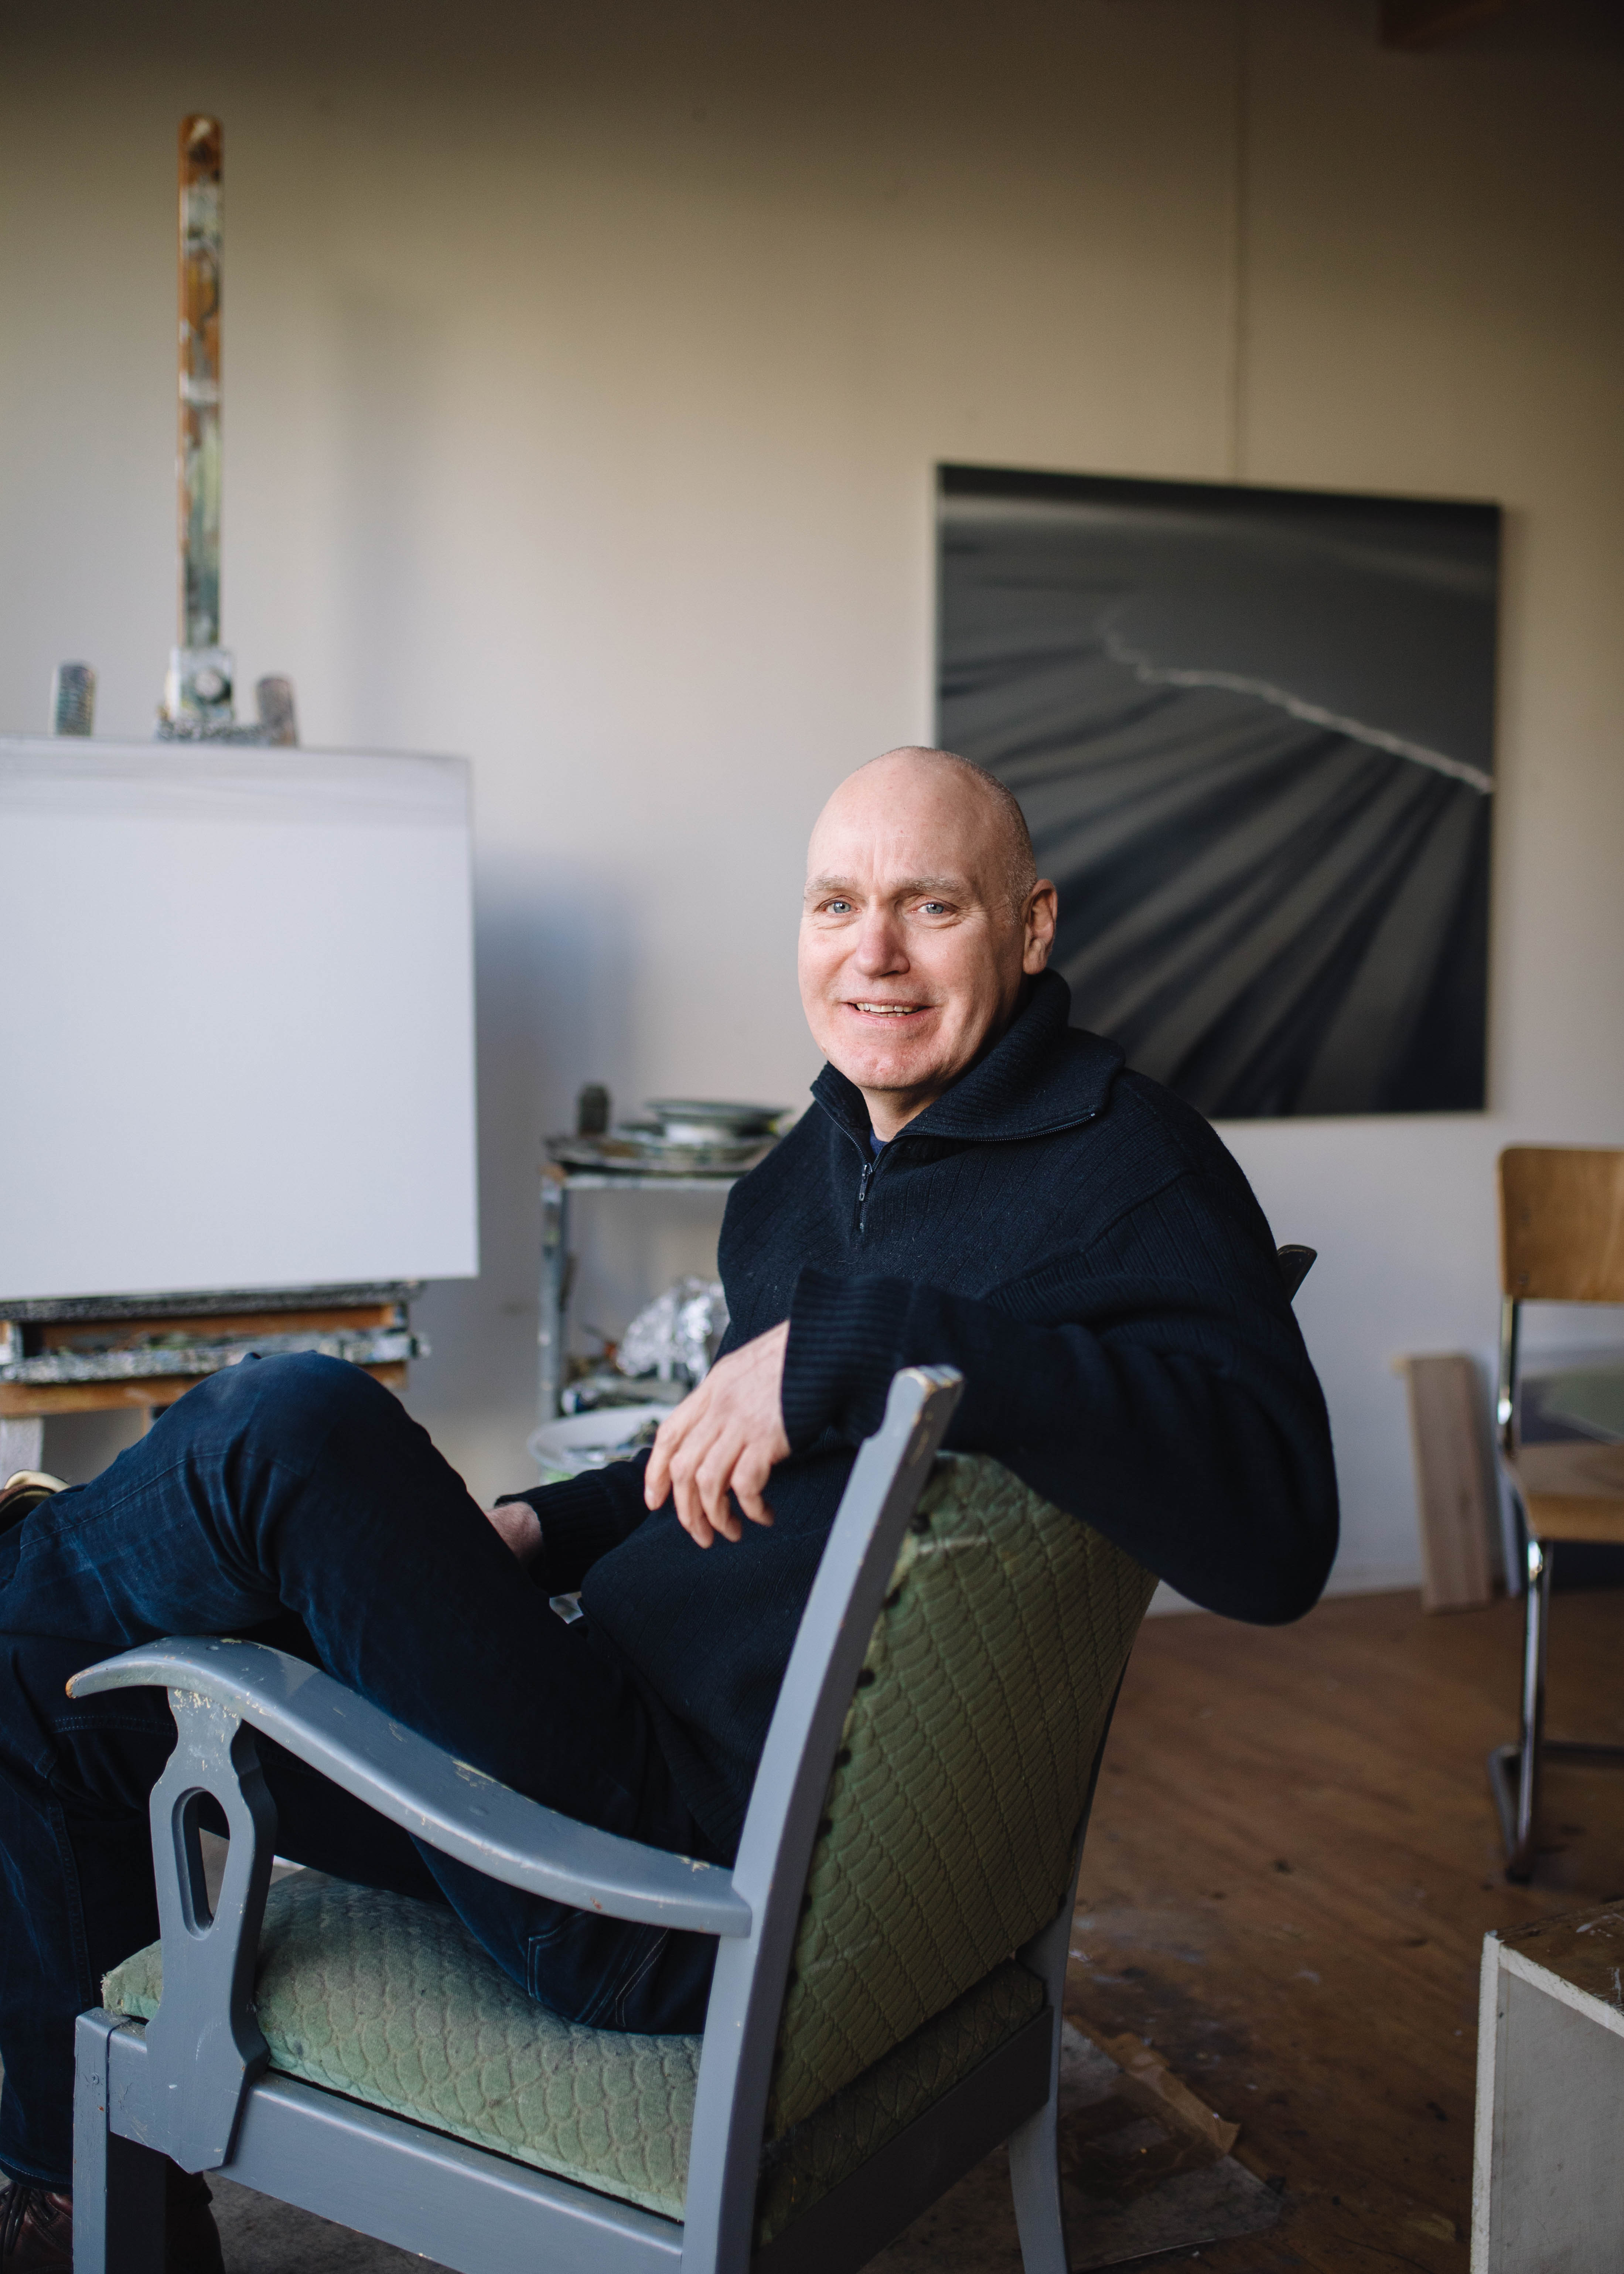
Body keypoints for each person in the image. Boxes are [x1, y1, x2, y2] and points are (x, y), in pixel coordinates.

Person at [0, 746, 1337, 2270]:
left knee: (288, 1425)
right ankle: (87, 2203)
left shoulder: (1130, 1171)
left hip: (652, 1879)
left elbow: (1281, 1537)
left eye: (930, 906)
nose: (873, 954)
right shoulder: (800, 1177)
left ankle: (20, 1560)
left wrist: (869, 1338)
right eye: (835, 905)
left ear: (1030, 927)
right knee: (46, 1698)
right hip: (600, 1724)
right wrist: (546, 1531)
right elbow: (729, 1457)